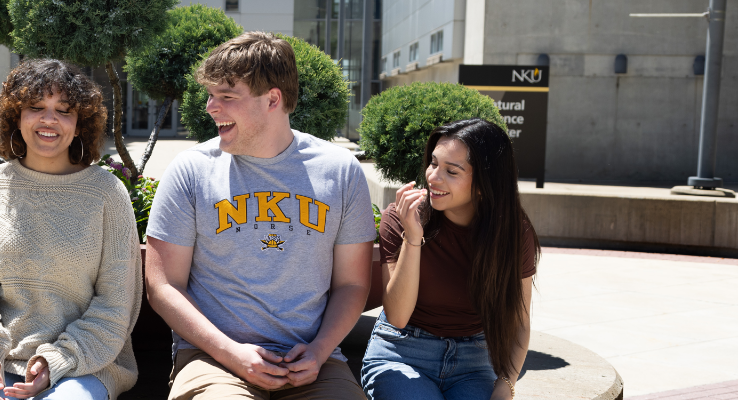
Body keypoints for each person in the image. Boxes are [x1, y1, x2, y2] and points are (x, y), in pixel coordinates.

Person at [144, 31, 374, 400]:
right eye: (210, 95)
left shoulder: (340, 171)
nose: (210, 107)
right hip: (212, 358)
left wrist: (318, 351)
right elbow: (163, 285)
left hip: (314, 360)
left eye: (226, 97)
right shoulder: (191, 170)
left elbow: (352, 284)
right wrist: (230, 353)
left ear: (272, 99)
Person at [0, 58, 141, 400]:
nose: (49, 119)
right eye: (35, 107)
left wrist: (57, 360)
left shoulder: (106, 193)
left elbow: (116, 303)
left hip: (84, 361)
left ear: (80, 124)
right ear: (16, 116)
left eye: (64, 111)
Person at [360, 119, 538, 400]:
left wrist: (506, 385)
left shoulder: (512, 233)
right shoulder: (400, 218)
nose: (433, 177)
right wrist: (413, 237)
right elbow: (398, 316)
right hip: (402, 352)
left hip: (474, 362)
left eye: (451, 171)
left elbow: (519, 323)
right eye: (433, 164)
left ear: (485, 183)